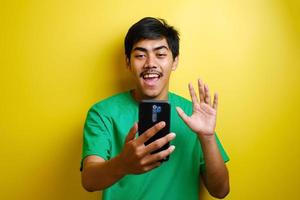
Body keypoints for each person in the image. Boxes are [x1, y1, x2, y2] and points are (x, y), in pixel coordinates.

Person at [80, 17, 230, 200]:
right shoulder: (103, 113)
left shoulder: (194, 115)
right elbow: (89, 180)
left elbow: (220, 190)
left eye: (160, 54)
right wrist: (122, 164)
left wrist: (207, 137)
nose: (150, 63)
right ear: (128, 63)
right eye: (140, 55)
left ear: (174, 61)